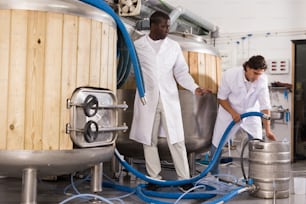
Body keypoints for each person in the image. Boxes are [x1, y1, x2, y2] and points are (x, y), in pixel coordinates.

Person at [129, 11, 210, 191]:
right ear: (153, 25)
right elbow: (133, 70)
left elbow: (181, 72)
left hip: (169, 97)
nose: (167, 30)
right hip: (147, 98)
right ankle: (154, 178)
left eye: (168, 26)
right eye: (163, 26)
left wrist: (194, 87)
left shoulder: (173, 46)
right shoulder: (138, 45)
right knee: (148, 141)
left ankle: (184, 179)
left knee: (176, 139)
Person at [210, 55, 277, 175]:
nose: (257, 77)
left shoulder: (262, 80)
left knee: (257, 144)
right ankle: (213, 175)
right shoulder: (230, 75)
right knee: (217, 143)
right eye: (255, 73)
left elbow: (265, 106)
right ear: (247, 67)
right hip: (229, 112)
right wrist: (233, 113)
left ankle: (256, 177)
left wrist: (268, 130)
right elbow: (222, 98)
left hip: (251, 111)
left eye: (260, 74)